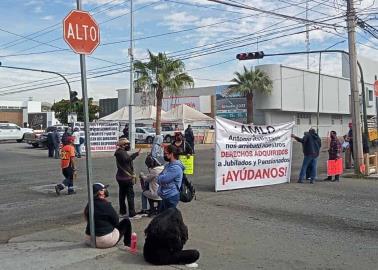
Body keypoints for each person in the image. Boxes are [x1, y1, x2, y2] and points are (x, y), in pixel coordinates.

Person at [84, 183, 132, 249]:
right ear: (100, 192)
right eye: (104, 189)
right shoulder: (106, 205)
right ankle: (128, 244)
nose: (106, 190)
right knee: (126, 222)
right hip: (103, 241)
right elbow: (116, 221)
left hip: (89, 239)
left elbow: (86, 218)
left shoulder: (89, 204)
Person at [114, 138, 142, 219]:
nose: (128, 146)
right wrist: (136, 154)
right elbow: (127, 159)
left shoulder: (119, 152)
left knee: (122, 195)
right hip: (125, 178)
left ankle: (123, 212)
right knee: (130, 196)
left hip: (121, 177)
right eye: (126, 144)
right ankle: (132, 213)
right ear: (122, 145)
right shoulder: (121, 153)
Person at [157, 145, 185, 212]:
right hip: (165, 195)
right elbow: (160, 177)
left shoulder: (175, 168)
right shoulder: (169, 165)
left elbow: (163, 179)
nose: (164, 155)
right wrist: (160, 177)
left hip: (171, 196)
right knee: (161, 217)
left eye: (165, 153)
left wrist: (159, 177)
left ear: (171, 154)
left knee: (167, 219)